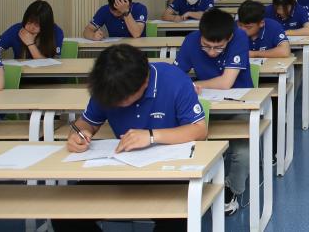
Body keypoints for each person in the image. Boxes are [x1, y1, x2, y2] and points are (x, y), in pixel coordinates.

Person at [56, 45, 208, 232]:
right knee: (64, 212)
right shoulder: (107, 85)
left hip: (171, 173)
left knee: (179, 218)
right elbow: (86, 123)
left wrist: (152, 136)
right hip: (122, 169)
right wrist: (79, 135)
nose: (117, 103)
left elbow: (199, 130)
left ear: (145, 82)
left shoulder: (174, 80)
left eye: (122, 99)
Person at [174, 8, 252, 215]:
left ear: (229, 38)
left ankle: (231, 189)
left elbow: (226, 83)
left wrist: (193, 84)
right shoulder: (191, 41)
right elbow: (175, 76)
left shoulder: (239, 37)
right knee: (186, 144)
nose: (211, 52)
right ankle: (192, 185)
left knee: (242, 152)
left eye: (218, 47)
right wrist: (185, 85)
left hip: (238, 104)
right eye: (206, 46)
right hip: (202, 107)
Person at [0, 0, 64, 59]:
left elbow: (56, 62)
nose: (32, 27)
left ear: (46, 25)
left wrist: (30, 44)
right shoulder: (16, 29)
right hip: (22, 69)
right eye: (29, 22)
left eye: (37, 24)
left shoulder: (56, 32)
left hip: (47, 70)